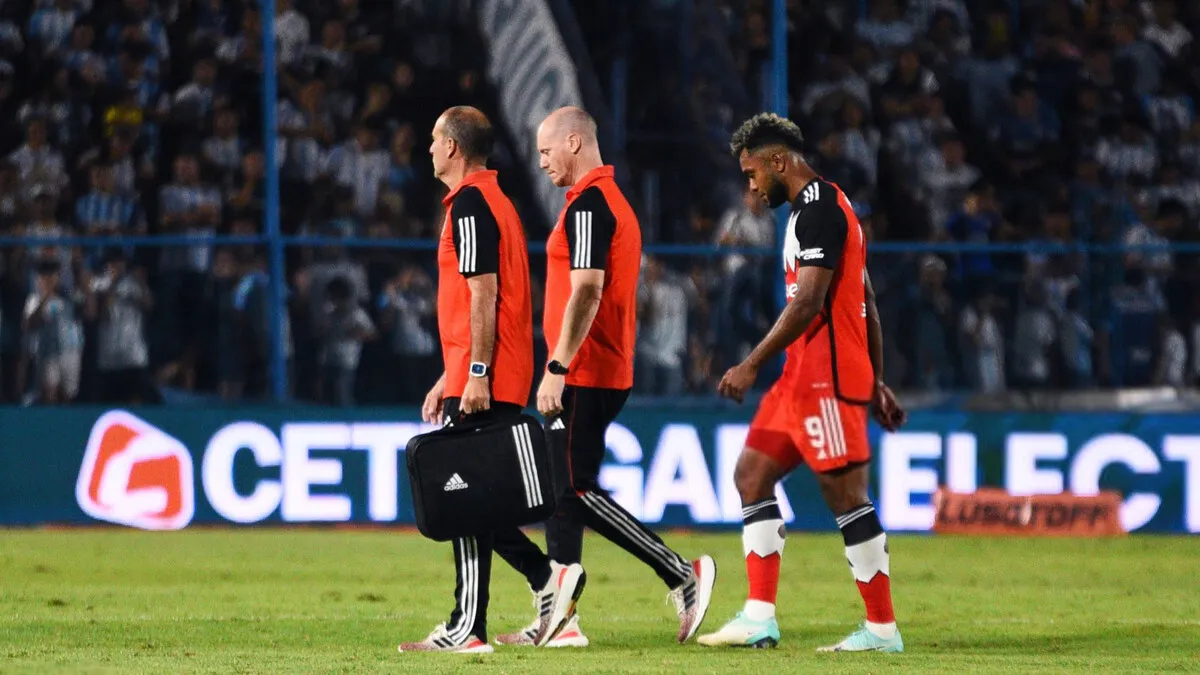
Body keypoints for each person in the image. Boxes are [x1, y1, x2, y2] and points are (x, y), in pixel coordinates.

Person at [496, 107, 716, 648]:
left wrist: (557, 365)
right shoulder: (605, 202)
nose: (541, 162)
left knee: (573, 487)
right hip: (597, 367)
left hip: (585, 371)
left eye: (547, 151)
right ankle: (561, 618)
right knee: (563, 495)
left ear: (574, 141)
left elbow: (588, 288)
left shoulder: (590, 206)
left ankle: (682, 573)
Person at [698, 113, 907, 652]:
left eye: (751, 174)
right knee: (751, 475)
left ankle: (882, 630)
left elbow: (812, 302)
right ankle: (759, 617)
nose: (751, 186)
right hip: (801, 377)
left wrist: (751, 362)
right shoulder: (811, 213)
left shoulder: (821, 211)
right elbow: (867, 301)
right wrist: (880, 381)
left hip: (827, 379)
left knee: (845, 496)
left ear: (777, 161)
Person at [399, 107, 584, 654]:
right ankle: (547, 579)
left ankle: (468, 628)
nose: (429, 148)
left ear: (453, 148)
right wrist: (449, 375)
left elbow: (484, 293)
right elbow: (478, 304)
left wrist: (475, 372)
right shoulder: (492, 202)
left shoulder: (473, 205)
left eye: (435, 139)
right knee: (478, 498)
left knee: (462, 498)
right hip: (482, 370)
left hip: (489, 375)